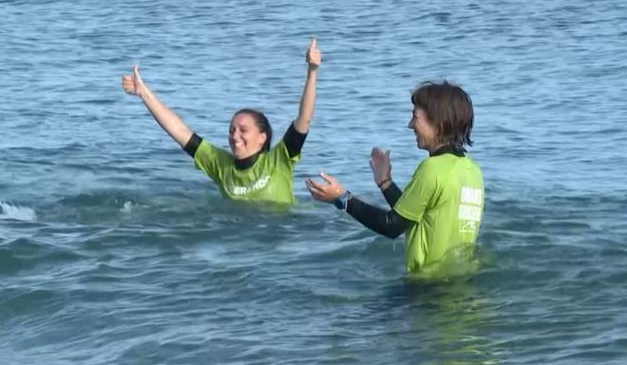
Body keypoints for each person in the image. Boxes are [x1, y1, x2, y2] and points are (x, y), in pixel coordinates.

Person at [306, 81, 485, 275]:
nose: (410, 125)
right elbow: (416, 216)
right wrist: (385, 182)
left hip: (426, 287)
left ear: (437, 122)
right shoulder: (472, 170)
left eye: (415, 116)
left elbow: (392, 226)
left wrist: (342, 198)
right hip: (461, 280)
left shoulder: (432, 169)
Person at [120, 38, 322, 205]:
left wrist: (312, 71)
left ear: (262, 138)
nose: (235, 136)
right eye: (231, 130)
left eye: (243, 130)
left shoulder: (279, 160)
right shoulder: (220, 165)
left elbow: (304, 118)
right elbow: (179, 131)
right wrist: (144, 93)